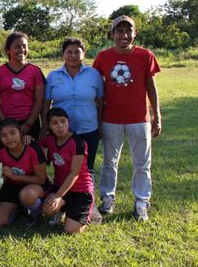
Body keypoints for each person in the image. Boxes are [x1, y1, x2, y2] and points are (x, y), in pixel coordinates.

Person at [92, 15, 161, 221]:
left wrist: (157, 115)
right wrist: (98, 119)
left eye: (128, 30)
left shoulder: (145, 55)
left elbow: (151, 87)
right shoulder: (103, 57)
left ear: (135, 33)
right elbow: (98, 89)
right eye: (119, 31)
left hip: (139, 119)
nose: (124, 35)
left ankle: (141, 202)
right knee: (109, 162)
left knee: (142, 163)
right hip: (111, 118)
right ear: (112, 34)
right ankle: (107, 199)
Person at [43, 38, 103, 177]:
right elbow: (46, 103)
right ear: (63, 54)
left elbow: (100, 102)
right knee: (63, 165)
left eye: (77, 52)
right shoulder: (53, 76)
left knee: (87, 167)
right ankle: (65, 196)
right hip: (61, 130)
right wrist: (45, 125)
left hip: (88, 128)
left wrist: (100, 125)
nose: (73, 55)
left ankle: (87, 196)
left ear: (84, 54)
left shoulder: (94, 74)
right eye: (69, 52)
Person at [40, 108, 97, 234]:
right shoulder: (49, 140)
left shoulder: (77, 142)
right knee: (46, 210)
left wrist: (57, 195)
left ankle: (88, 212)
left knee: (70, 230)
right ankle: (62, 209)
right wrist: (27, 138)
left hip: (81, 191)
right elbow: (37, 146)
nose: (60, 126)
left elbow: (75, 172)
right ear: (49, 126)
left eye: (63, 121)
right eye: (54, 123)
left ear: (68, 122)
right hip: (60, 186)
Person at [0, 119, 48, 227]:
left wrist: (15, 177)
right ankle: (19, 209)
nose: (9, 138)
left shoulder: (33, 148)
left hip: (34, 187)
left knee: (27, 195)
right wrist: (2, 177)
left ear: (20, 133)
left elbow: (41, 179)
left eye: (13, 133)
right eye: (4, 135)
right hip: (12, 189)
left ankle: (35, 213)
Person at [0, 31, 45, 139]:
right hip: (6, 122)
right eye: (17, 47)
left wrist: (28, 124)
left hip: (30, 123)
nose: (21, 50)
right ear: (8, 50)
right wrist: (5, 124)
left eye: (24, 46)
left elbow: (39, 101)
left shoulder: (35, 71)